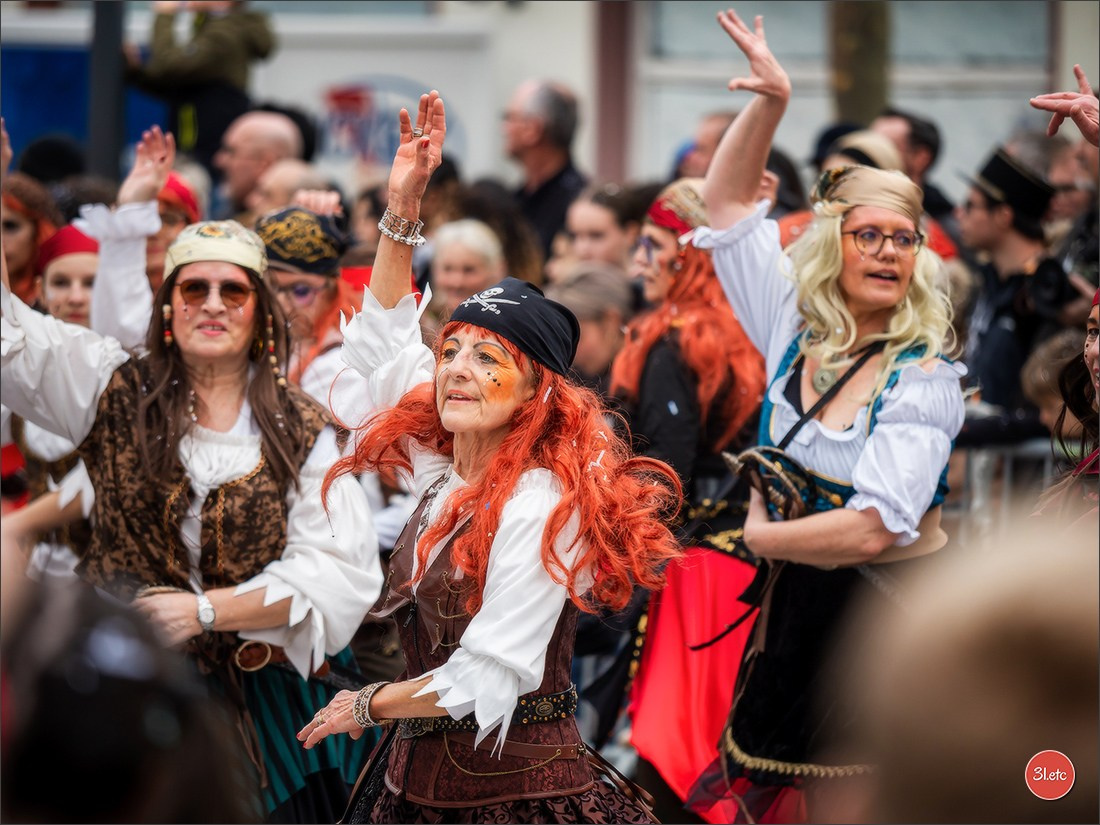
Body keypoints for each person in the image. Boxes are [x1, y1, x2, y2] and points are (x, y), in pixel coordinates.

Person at [299, 89, 682, 825]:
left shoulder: (542, 498)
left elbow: (483, 675)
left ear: (537, 392)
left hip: (519, 798)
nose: (458, 369)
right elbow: (381, 338)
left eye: (489, 357)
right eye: (451, 351)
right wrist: (403, 208)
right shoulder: (443, 465)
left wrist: (367, 703)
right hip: (412, 790)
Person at [1, 207, 382, 819]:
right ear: (169, 307)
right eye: (193, 288)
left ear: (257, 308)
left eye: (232, 289)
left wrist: (204, 611)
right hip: (123, 680)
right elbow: (8, 336)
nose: (212, 303)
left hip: (260, 699)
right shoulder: (108, 387)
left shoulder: (301, 426)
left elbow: (336, 571)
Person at [687, 11, 965, 822]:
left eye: (903, 239)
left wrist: (764, 537)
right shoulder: (789, 325)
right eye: (868, 234)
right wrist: (771, 102)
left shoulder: (924, 376)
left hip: (888, 621)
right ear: (831, 245)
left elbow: (877, 527)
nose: (886, 252)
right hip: (799, 613)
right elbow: (731, 202)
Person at [609, 177, 766, 824]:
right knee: (723, 758)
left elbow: (663, 475)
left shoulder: (674, 340)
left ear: (691, 254)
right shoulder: (752, 332)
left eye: (652, 246)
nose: (637, 263)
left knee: (685, 759)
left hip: (695, 576)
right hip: (748, 568)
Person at [956, 147, 1076, 447]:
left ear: (1003, 215)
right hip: (983, 454)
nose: (960, 213)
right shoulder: (987, 281)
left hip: (1025, 473)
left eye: (971, 205)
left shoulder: (1048, 293)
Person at [125, 0, 276, 182]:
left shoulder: (224, 32)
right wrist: (136, 72)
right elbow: (178, 84)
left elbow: (170, 66)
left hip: (206, 150)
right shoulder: (215, 27)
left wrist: (165, 16)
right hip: (199, 145)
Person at [504, 79, 588, 260]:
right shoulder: (517, 198)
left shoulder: (579, 206)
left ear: (532, 129)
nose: (504, 128)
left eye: (509, 117)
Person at [214, 109, 304, 224]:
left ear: (266, 162)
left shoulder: (302, 225)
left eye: (231, 151)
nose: (219, 160)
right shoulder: (228, 209)